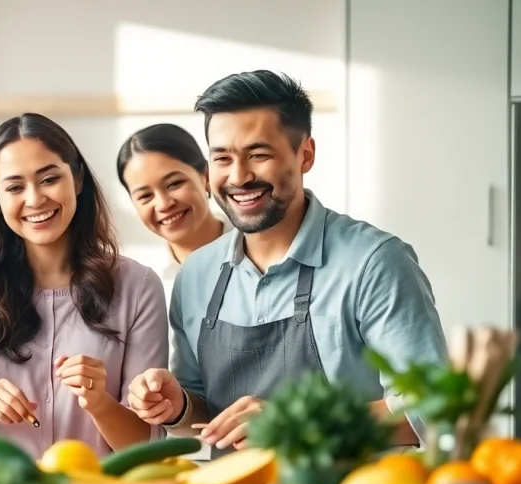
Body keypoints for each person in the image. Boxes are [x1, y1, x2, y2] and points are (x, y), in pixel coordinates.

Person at [127, 71, 447, 458]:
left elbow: (432, 408)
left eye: (258, 155)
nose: (239, 176)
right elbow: (201, 418)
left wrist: (294, 424)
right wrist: (177, 406)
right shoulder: (196, 274)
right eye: (223, 158)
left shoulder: (374, 262)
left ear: (305, 154)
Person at [0, 113, 170, 459]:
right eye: (15, 187)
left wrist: (99, 402)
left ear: (77, 179)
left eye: (49, 179)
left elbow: (149, 446)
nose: (34, 200)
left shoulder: (138, 286)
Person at [116, 123, 233, 283]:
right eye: (145, 196)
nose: (164, 204)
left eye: (174, 184)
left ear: (206, 176)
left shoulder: (257, 248)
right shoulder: (140, 281)